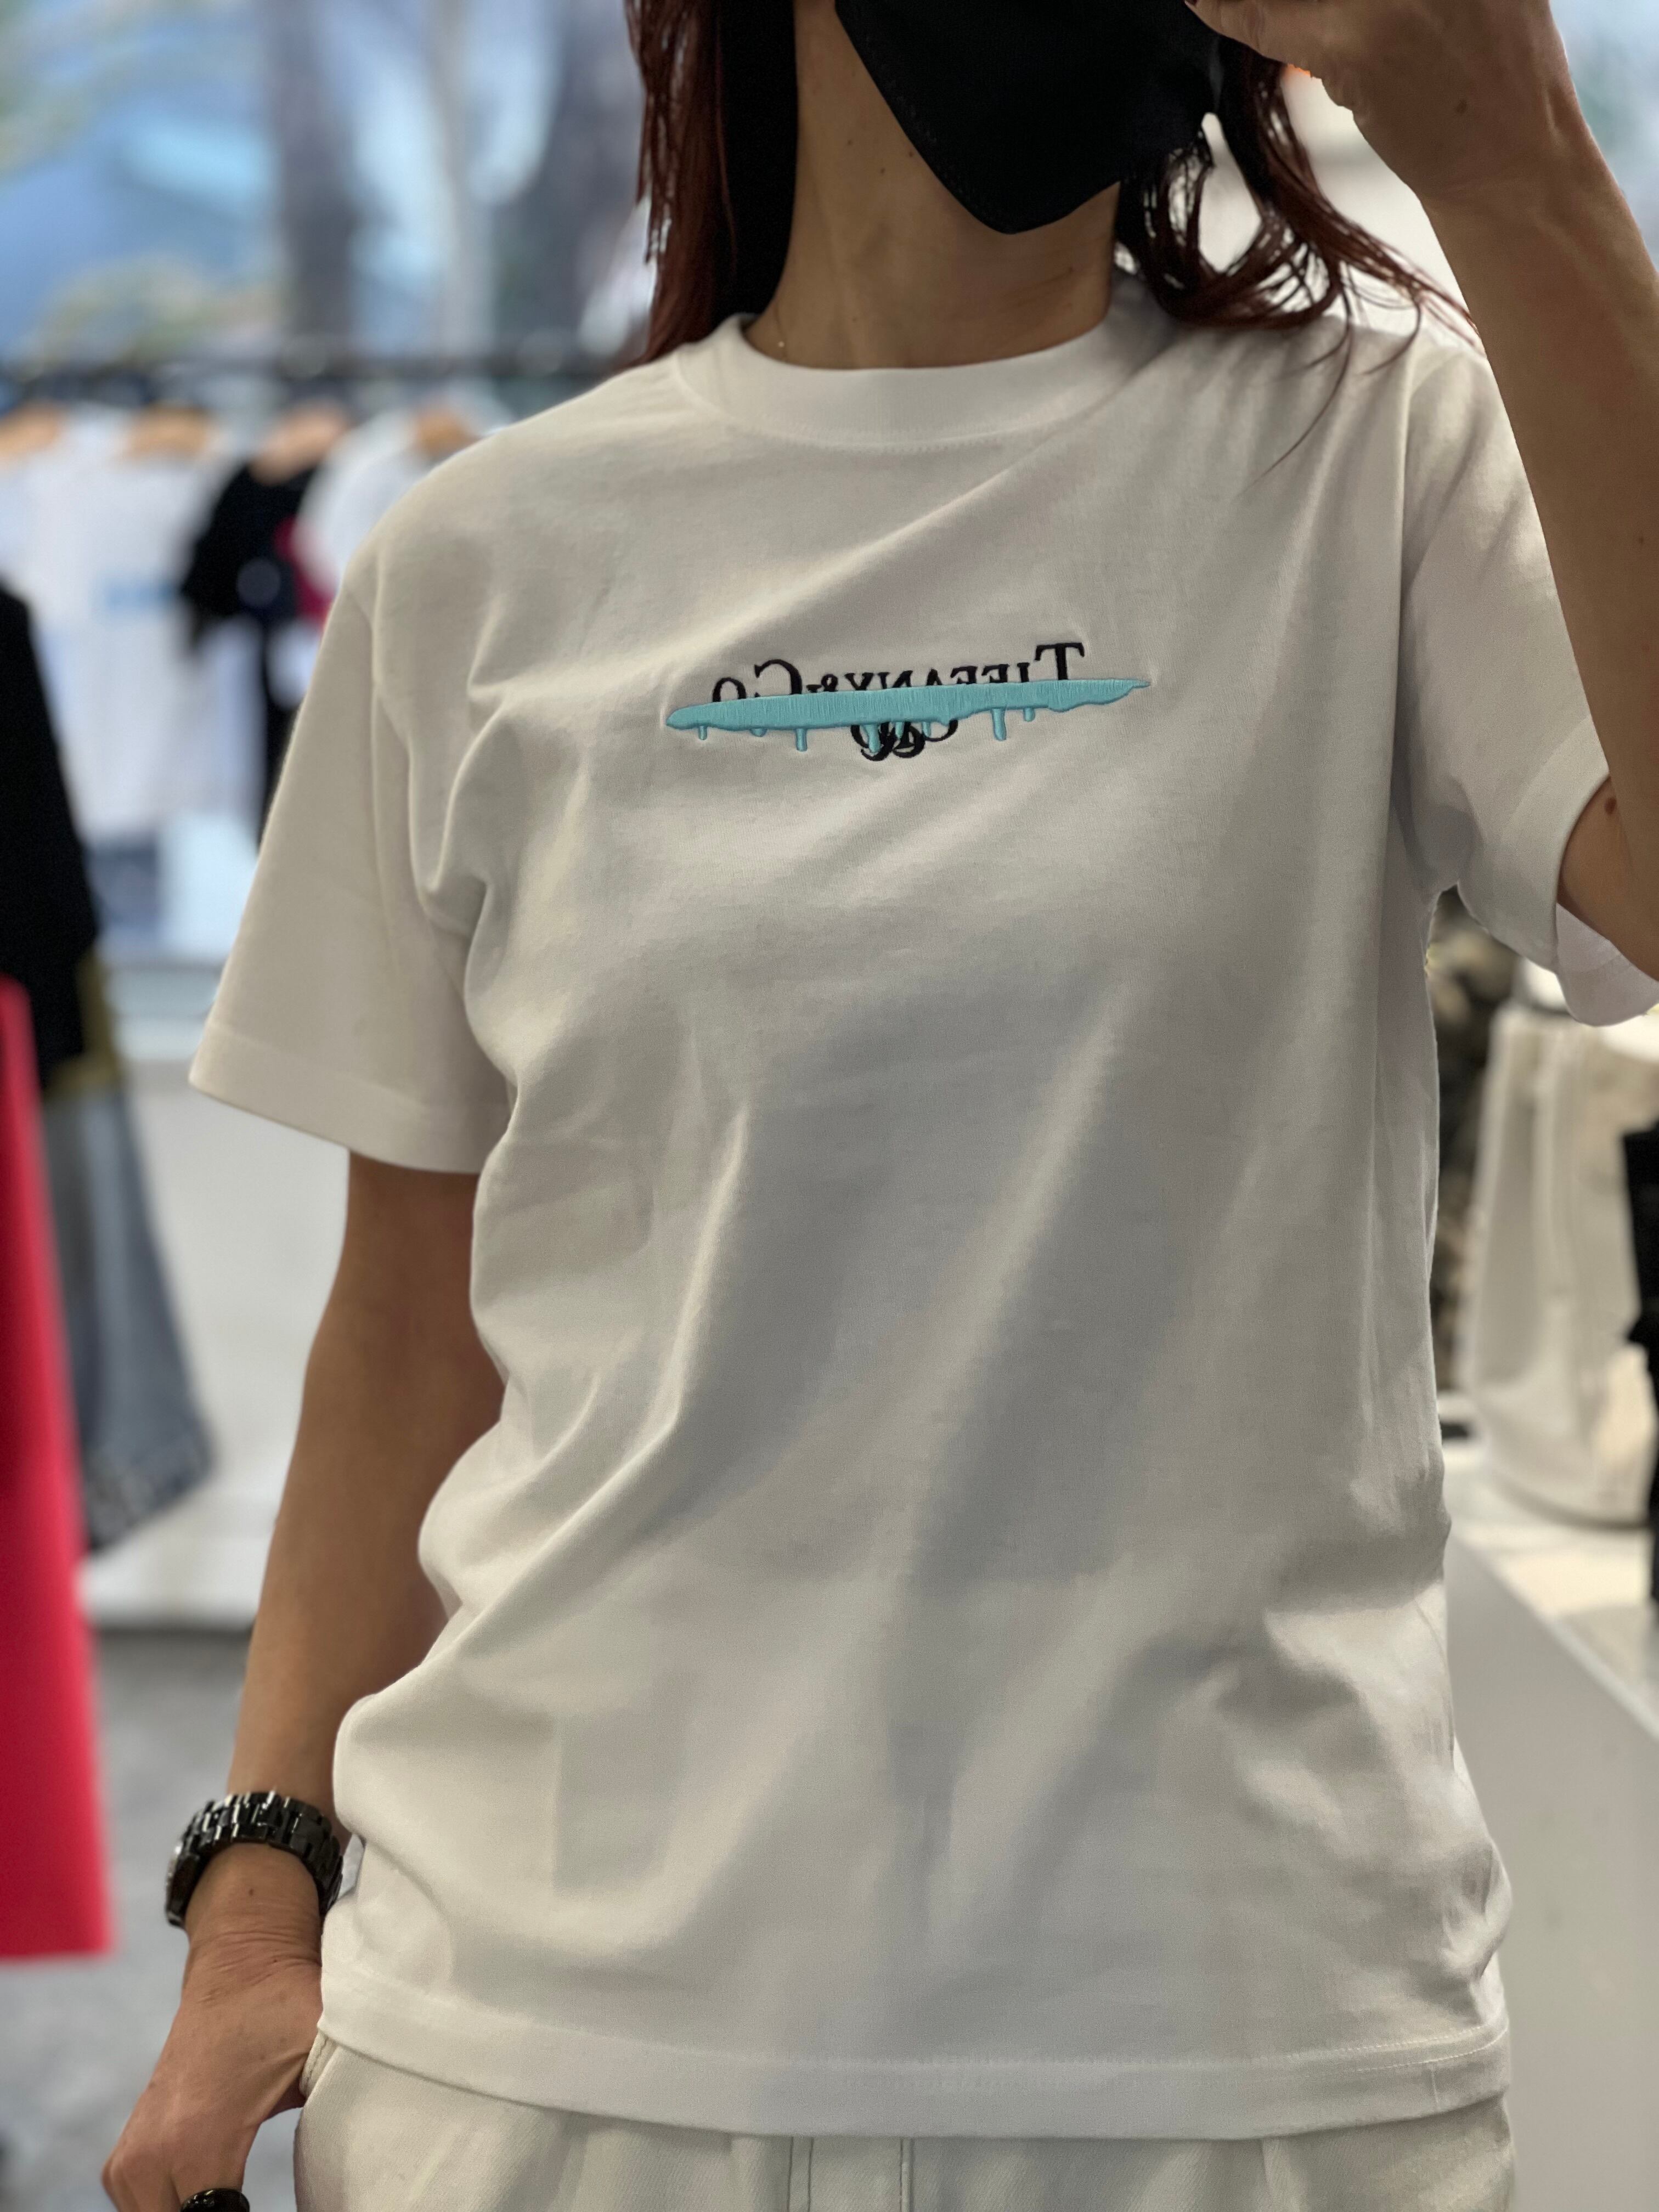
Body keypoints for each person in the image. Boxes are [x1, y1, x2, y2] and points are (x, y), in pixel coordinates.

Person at [106, 1, 1659, 2207]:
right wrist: (255, 1908)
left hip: (1234, 2035)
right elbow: (409, 1329)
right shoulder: (487, 558)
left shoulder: (1383, 456)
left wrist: (1523, 171)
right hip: (545, 2043)